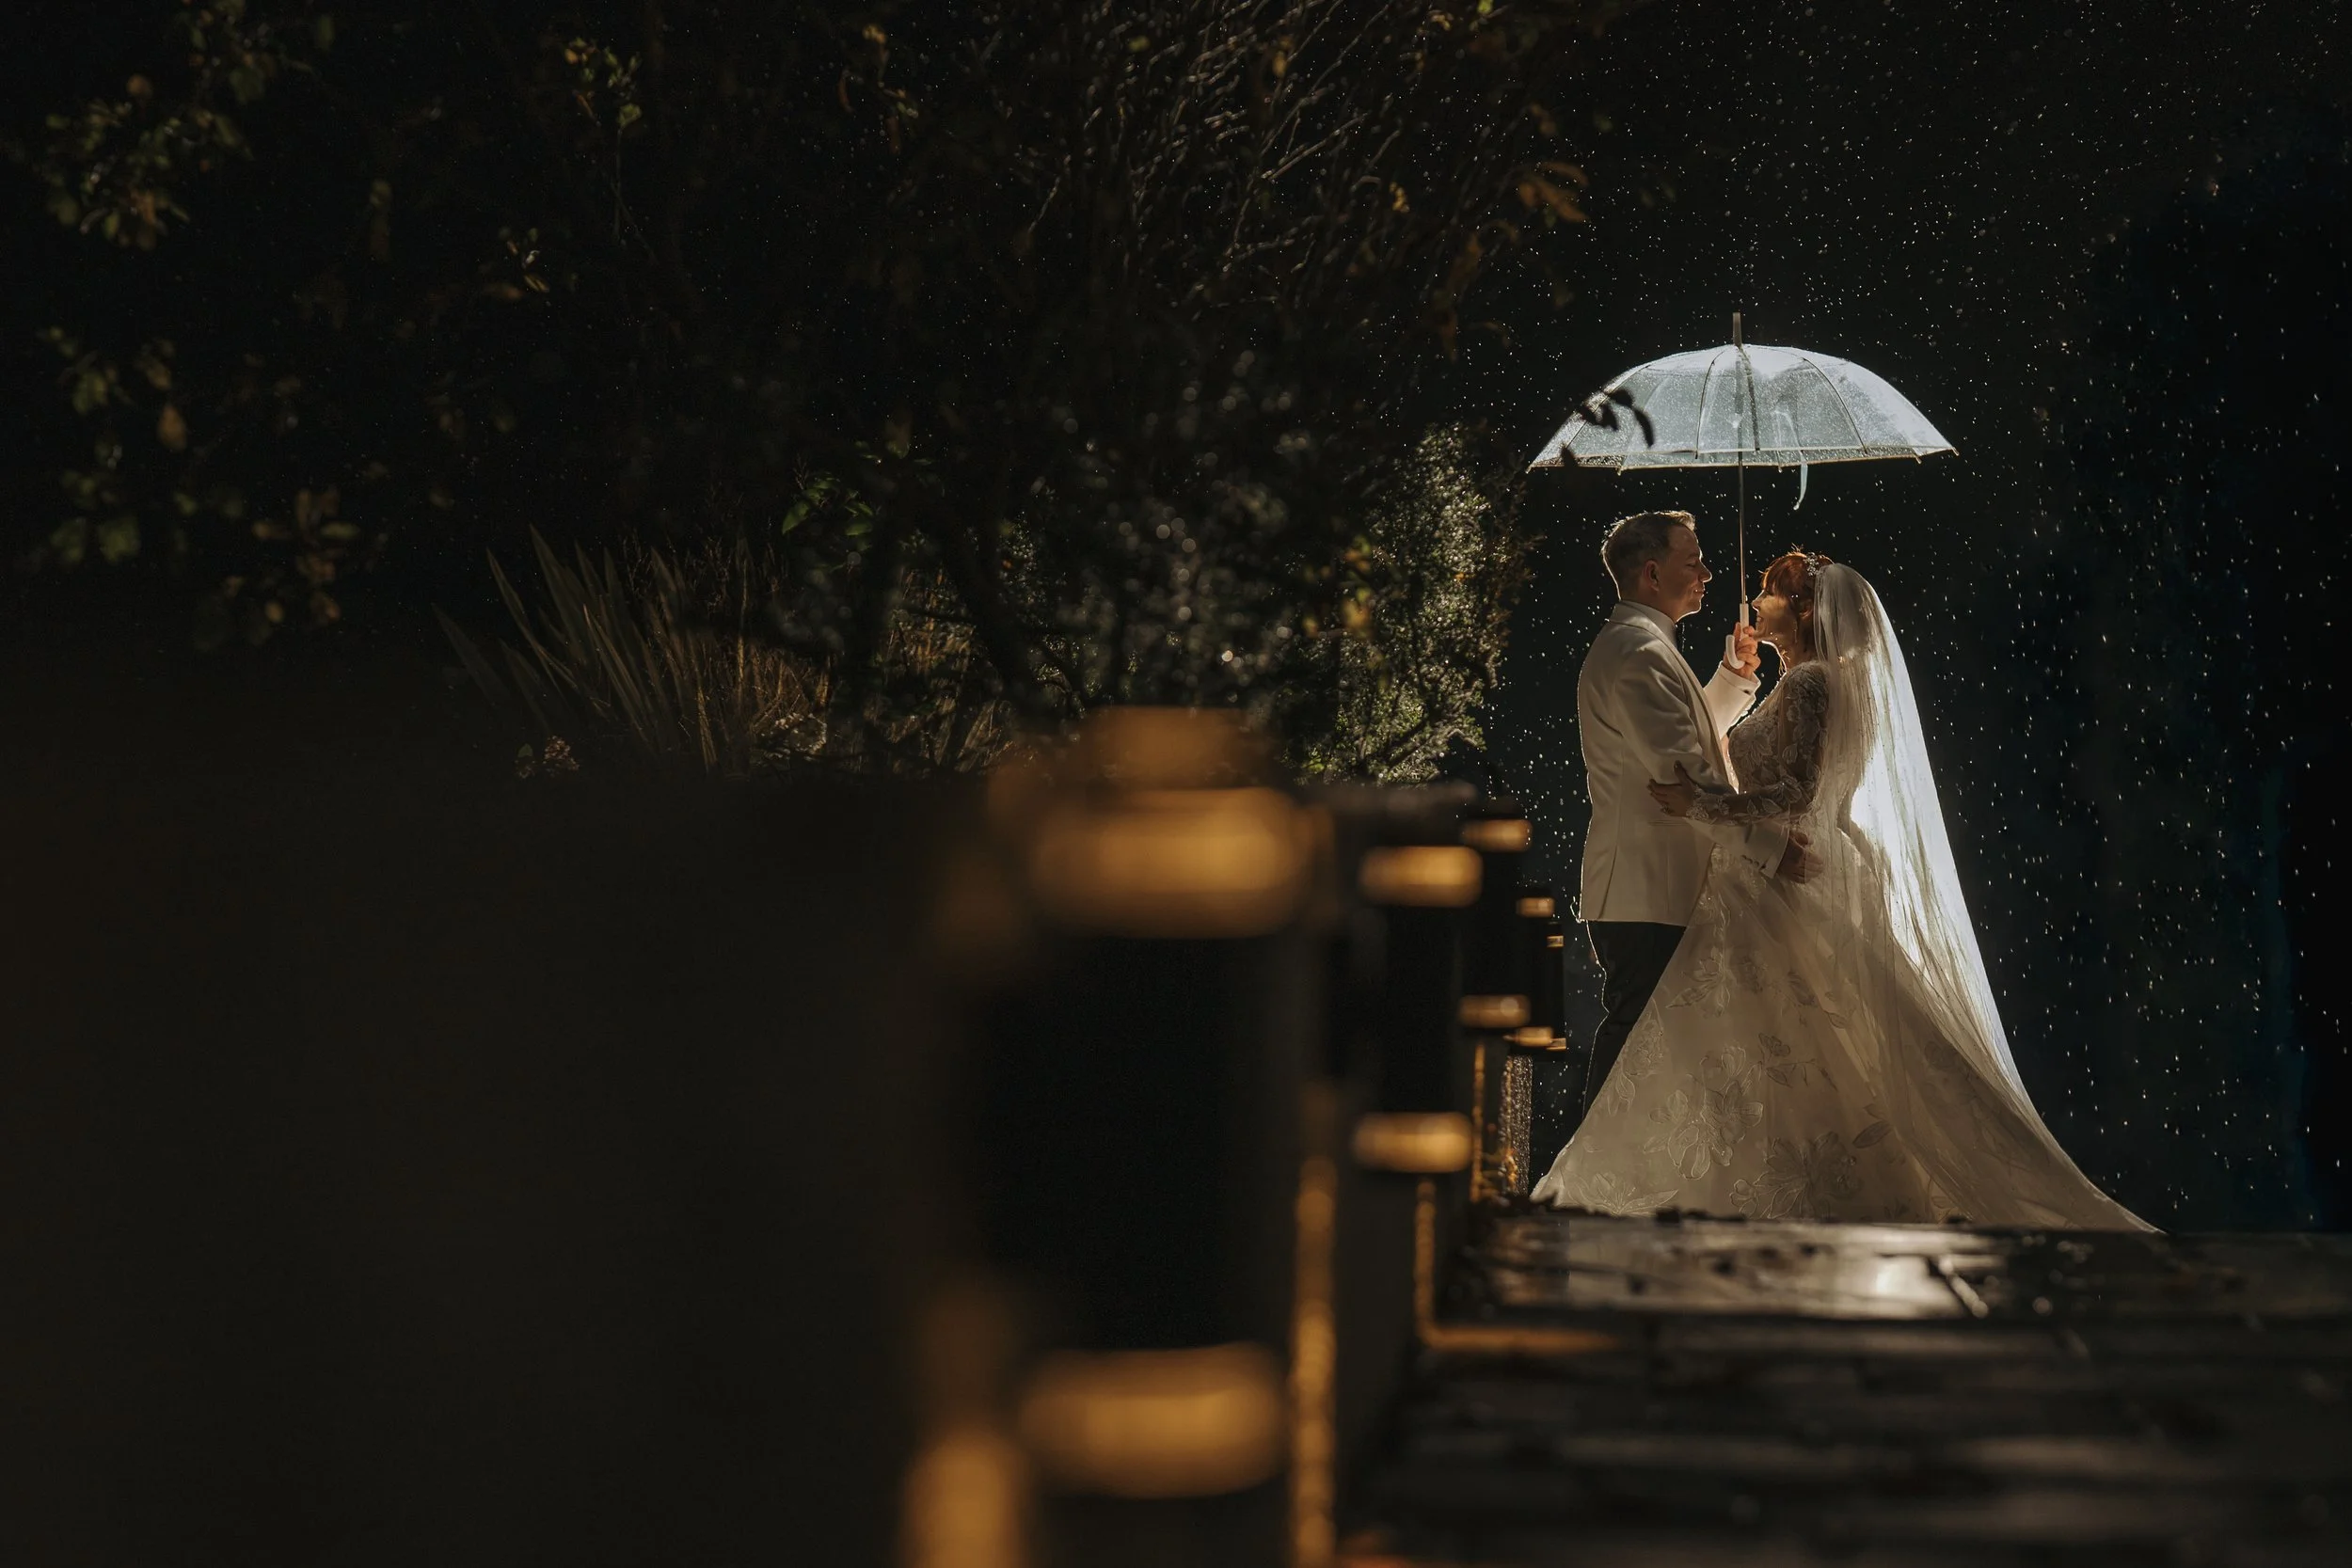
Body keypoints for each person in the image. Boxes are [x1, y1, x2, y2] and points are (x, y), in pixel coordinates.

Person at [1533, 543, 2149, 1228]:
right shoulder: (1819, 679)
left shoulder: (1806, 683)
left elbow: (1788, 786)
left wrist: (1704, 805)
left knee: (1765, 1038)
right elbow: (1719, 754)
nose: (1746, 596)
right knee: (1800, 1038)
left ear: (1802, 609)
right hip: (1774, 864)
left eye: (1767, 591)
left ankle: (1690, 1188)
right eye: (1708, 567)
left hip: (1778, 865)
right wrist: (1738, 683)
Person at [1562, 511, 1817, 1132]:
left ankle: (1612, 1185)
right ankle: (1586, 1187)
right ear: (1652, 573)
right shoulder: (1639, 652)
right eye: (1692, 561)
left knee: (1652, 1045)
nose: (1707, 572)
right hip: (1649, 889)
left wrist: (1731, 681)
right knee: (1636, 1044)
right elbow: (1686, 783)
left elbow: (1680, 741)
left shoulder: (1642, 646)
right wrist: (1770, 849)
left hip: (1652, 888)